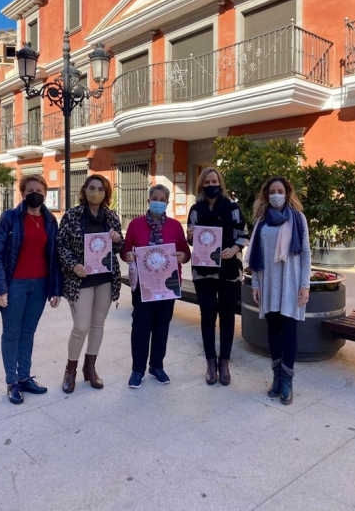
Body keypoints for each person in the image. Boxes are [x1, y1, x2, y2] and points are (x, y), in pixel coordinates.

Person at [0, 174, 62, 405]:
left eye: (38, 190)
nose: (34, 194)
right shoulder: (10, 218)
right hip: (14, 285)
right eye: (30, 191)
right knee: (11, 333)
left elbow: (54, 257)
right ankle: (12, 382)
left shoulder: (50, 220)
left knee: (28, 333)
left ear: (45, 193)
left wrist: (56, 288)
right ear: (23, 194)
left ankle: (25, 377)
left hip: (40, 285)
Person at [244, 176, 311, 405]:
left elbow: (306, 255)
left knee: (289, 330)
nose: (276, 195)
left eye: (280, 190)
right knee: (273, 330)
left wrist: (305, 286)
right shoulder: (261, 222)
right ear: (266, 195)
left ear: (287, 192)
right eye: (272, 191)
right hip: (269, 283)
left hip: (291, 283)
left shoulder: (299, 219)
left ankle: (287, 380)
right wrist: (255, 284)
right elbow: (255, 255)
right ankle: (276, 376)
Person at [57, 174, 123, 394]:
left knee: (98, 325)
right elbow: (61, 244)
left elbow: (119, 248)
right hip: (80, 279)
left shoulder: (112, 217)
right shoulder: (72, 216)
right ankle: (70, 370)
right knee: (81, 327)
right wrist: (73, 264)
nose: (96, 192)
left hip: (104, 279)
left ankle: (90, 367)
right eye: (92, 188)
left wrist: (117, 240)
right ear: (84, 191)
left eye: (101, 189)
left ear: (106, 194)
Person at [122, 184, 191, 388]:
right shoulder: (135, 225)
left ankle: (157, 366)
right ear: (148, 200)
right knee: (141, 327)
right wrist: (128, 256)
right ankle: (137, 370)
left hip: (168, 285)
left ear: (167, 203)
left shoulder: (175, 226)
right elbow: (125, 251)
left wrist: (182, 256)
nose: (158, 202)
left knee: (162, 327)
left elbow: (185, 253)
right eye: (155, 198)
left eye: (163, 199)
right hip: (144, 286)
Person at [187, 167, 249, 386]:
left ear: (220, 183)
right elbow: (192, 240)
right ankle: (210, 362)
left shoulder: (232, 207)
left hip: (229, 271)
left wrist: (233, 249)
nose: (211, 185)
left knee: (227, 316)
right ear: (201, 185)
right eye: (206, 182)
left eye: (214, 181)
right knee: (207, 314)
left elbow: (243, 235)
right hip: (203, 272)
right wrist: (190, 235)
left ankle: (224, 362)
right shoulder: (195, 209)